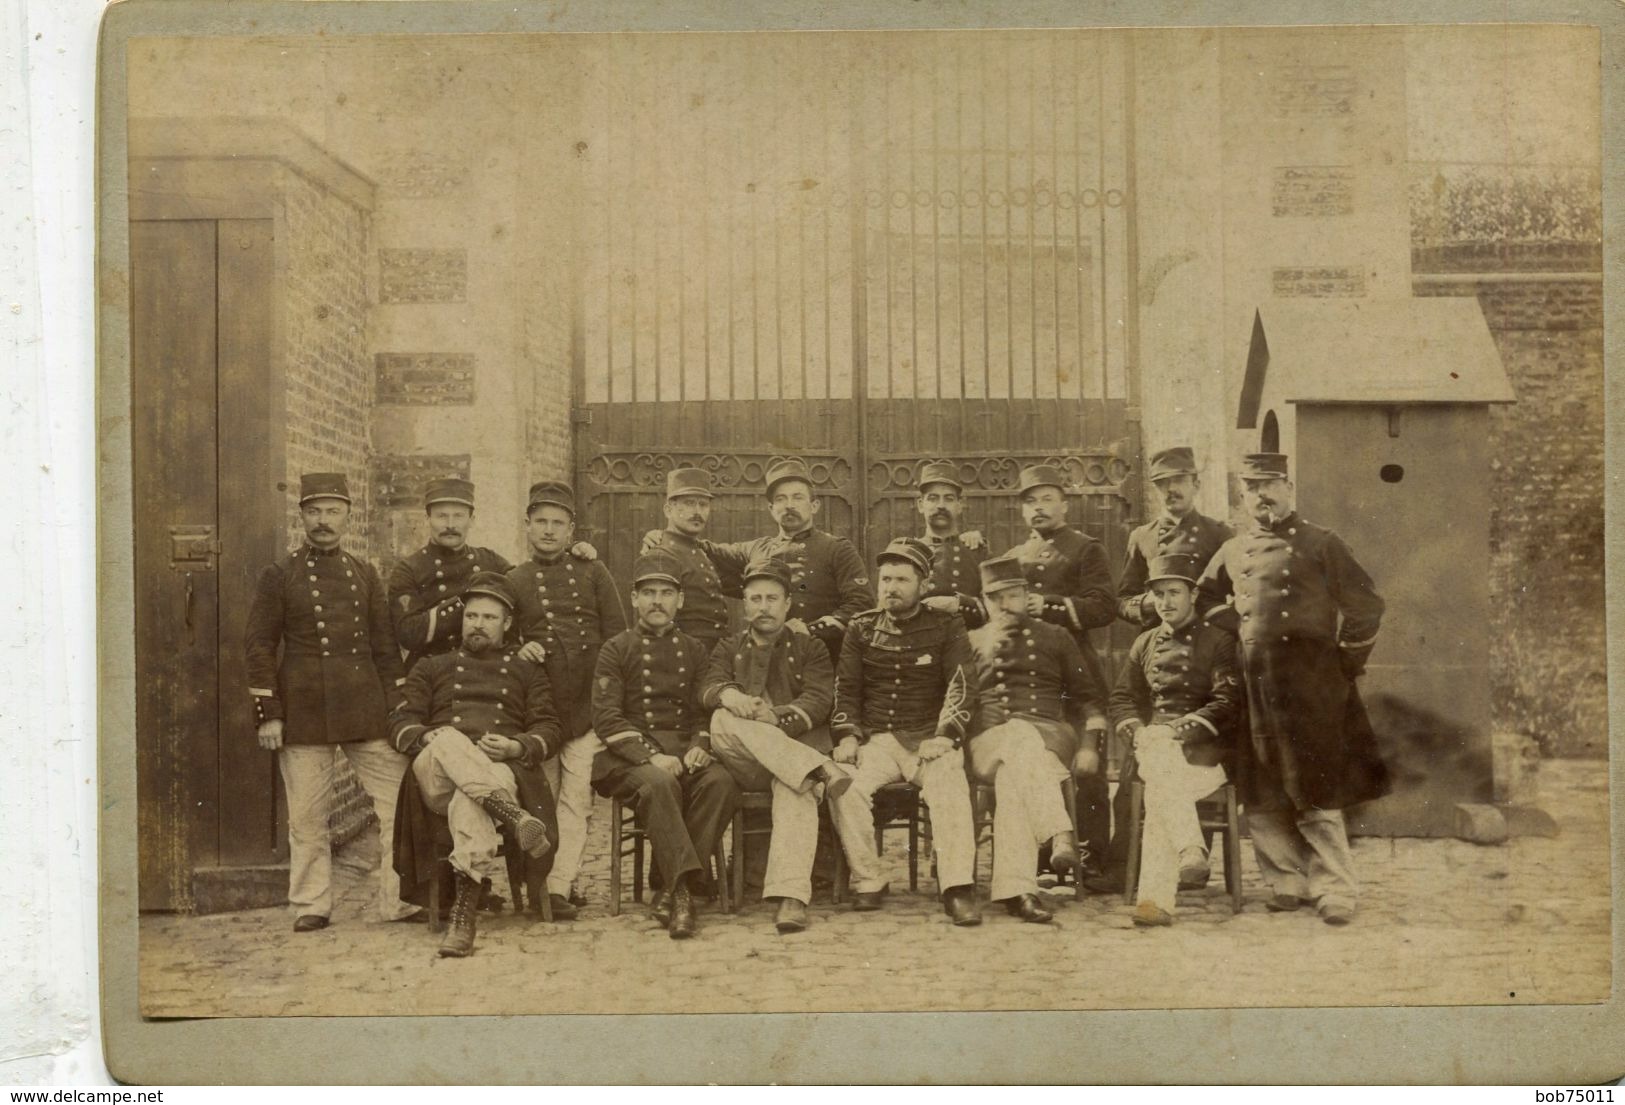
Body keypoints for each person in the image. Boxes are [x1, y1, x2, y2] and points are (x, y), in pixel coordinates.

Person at [1197, 452, 1387, 926]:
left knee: (1315, 783)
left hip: (1312, 686)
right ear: (1242, 496)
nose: (1261, 497)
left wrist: (1343, 661)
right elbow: (1203, 600)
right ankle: (1286, 879)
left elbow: (1366, 606)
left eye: (1269, 486)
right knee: (1261, 785)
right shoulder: (1235, 549)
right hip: (1254, 682)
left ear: (1288, 488)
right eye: (1251, 488)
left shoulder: (1323, 543)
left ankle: (1334, 887)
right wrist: (1240, 627)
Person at [243, 472, 419, 931]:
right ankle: (311, 904)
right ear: (302, 515)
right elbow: (260, 646)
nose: (324, 520)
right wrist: (269, 714)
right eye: (315, 511)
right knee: (307, 817)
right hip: (303, 711)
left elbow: (384, 648)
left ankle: (399, 899)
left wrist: (397, 707)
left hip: (365, 708)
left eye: (333, 511)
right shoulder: (280, 575)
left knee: (400, 801)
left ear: (347, 516)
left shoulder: (364, 573)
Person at [390, 572, 564, 957]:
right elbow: (400, 721)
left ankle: (463, 919)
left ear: (507, 624)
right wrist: (425, 736)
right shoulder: (433, 667)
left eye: (488, 618)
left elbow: (549, 728)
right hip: (435, 775)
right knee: (450, 738)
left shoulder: (526, 669)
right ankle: (514, 817)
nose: (478, 625)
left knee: (470, 801)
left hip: (496, 770)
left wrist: (516, 746)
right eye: (471, 616)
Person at [1098, 445, 1236, 893]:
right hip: (1161, 652)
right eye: (1162, 484)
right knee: (1151, 766)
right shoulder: (1143, 537)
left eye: (1179, 481)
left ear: (1196, 483)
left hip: (1205, 660)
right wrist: (1157, 607)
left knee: (1159, 768)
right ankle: (1169, 861)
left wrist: (1201, 616)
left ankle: (1167, 877)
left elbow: (1233, 594)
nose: (1171, 490)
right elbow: (1122, 597)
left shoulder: (1221, 533)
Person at [826, 538, 983, 926]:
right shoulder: (861, 628)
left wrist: (947, 734)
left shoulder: (946, 625)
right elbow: (846, 688)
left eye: (901, 580)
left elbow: (962, 684)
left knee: (948, 781)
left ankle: (957, 887)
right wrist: (848, 736)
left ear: (924, 586)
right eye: (885, 579)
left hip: (927, 738)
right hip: (878, 740)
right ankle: (868, 879)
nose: (891, 588)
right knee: (843, 784)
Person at [591, 551, 740, 939]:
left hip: (681, 752)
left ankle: (669, 885)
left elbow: (701, 711)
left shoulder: (694, 650)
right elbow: (607, 718)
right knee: (660, 784)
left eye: (666, 593)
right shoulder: (616, 649)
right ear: (634, 598)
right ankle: (685, 890)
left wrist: (700, 744)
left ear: (680, 600)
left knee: (721, 782)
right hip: (630, 757)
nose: (657, 601)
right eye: (649, 592)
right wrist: (651, 755)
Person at [700, 556, 850, 933]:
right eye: (755, 599)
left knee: (795, 785)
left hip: (787, 751)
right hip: (743, 761)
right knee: (721, 716)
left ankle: (791, 898)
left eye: (772, 599)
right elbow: (708, 687)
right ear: (745, 604)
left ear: (787, 605)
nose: (763, 607)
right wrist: (729, 695)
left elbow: (818, 700)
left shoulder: (809, 646)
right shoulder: (727, 646)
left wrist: (776, 716)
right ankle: (817, 767)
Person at [505, 480, 627, 919]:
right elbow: (503, 639)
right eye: (541, 522)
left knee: (576, 799)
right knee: (541, 799)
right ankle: (542, 883)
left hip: (585, 708)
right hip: (539, 711)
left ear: (572, 529)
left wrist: (609, 703)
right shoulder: (514, 580)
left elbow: (617, 638)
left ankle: (557, 888)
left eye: (559, 523)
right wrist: (519, 649)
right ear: (527, 526)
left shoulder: (594, 573)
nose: (550, 531)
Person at [965, 557, 1109, 922]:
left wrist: (1090, 745)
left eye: (1012, 596)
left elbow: (1088, 698)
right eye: (995, 598)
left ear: (1027, 595)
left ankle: (1019, 890)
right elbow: (957, 700)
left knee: (1015, 774)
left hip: (1049, 741)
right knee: (1017, 737)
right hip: (988, 744)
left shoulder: (1056, 636)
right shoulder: (971, 641)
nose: (1004, 605)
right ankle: (1059, 832)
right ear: (983, 600)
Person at [996, 464, 1116, 881]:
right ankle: (1046, 852)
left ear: (1064, 504)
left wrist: (1048, 604)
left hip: (1076, 670)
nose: (1038, 508)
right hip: (1032, 678)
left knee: (1088, 765)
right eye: (1030, 501)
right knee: (1038, 761)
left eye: (1047, 499)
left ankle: (1094, 857)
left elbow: (1104, 607)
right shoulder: (1013, 557)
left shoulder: (1085, 549)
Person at [1109, 554, 1242, 927]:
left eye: (1174, 593)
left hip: (1203, 758)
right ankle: (1189, 850)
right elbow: (1121, 698)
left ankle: (1155, 897)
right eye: (1159, 595)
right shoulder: (1145, 643)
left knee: (1160, 784)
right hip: (1155, 749)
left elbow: (1226, 700)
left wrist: (1176, 728)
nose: (1166, 602)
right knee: (1161, 770)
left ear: (1193, 595)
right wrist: (1137, 729)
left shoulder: (1219, 642)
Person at [652, 458, 871, 665]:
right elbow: (704, 548)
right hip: (767, 661)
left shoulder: (837, 549)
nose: (789, 505)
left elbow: (861, 604)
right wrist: (660, 535)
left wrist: (811, 630)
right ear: (771, 509)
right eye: (780, 499)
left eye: (797, 497)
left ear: (814, 506)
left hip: (821, 657)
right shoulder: (758, 549)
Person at [387, 478, 513, 671]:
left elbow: (528, 584)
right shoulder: (409, 569)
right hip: (431, 672)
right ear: (427, 519)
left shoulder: (490, 561)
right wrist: (467, 600)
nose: (450, 525)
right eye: (441, 516)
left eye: (459, 516)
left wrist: (572, 551)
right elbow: (409, 634)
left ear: (472, 520)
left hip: (485, 670)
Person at [641, 467, 733, 650]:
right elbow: (657, 622)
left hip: (715, 653)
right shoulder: (661, 554)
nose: (697, 511)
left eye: (703, 504)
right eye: (689, 503)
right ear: (668, 510)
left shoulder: (702, 552)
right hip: (684, 655)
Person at [910, 460, 992, 623]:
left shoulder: (976, 551)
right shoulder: (909, 552)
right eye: (933, 498)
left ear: (959, 505)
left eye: (948, 498)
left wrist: (959, 604)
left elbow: (996, 606)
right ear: (920, 505)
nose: (941, 505)